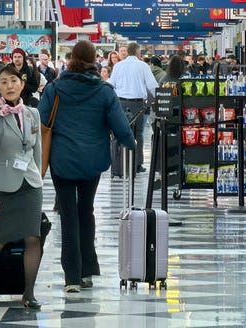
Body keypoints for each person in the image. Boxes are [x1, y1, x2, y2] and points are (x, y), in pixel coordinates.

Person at [38, 41, 135, 293]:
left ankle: (72, 277)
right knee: (86, 211)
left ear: (70, 59)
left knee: (68, 215)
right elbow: (120, 125)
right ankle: (87, 270)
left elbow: (39, 119)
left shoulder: (55, 88)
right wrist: (131, 143)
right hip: (92, 160)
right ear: (94, 60)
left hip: (62, 160)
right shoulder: (104, 90)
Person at [0, 65, 43, 309]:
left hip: (30, 185)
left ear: (22, 84)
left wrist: (39, 180)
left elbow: (37, 151)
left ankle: (29, 292)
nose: (9, 86)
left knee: (33, 238)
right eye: (3, 82)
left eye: (13, 80)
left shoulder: (33, 114)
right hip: (3, 186)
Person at [109, 42, 158, 173]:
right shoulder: (143, 66)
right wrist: (160, 99)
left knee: (119, 133)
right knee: (138, 134)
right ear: (138, 52)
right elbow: (152, 86)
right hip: (138, 105)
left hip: (120, 104)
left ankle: (118, 165)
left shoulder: (118, 66)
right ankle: (137, 164)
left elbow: (111, 84)